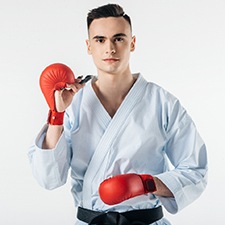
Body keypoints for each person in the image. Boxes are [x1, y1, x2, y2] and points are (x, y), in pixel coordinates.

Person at [28, 3, 208, 225]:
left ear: (132, 43)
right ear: (88, 46)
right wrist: (57, 114)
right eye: (100, 40)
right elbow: (49, 179)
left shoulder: (162, 103)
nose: (109, 48)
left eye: (119, 38)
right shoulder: (73, 104)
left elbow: (195, 170)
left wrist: (146, 184)